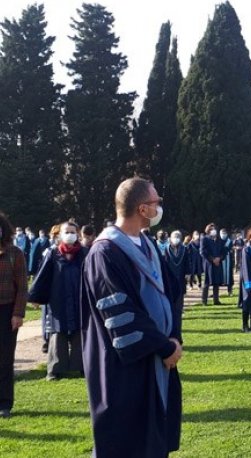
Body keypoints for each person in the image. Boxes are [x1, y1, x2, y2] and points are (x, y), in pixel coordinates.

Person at [80, 177, 183, 456]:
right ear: (142, 209)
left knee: (153, 438)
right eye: (156, 202)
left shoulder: (148, 246)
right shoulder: (105, 252)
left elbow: (170, 294)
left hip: (158, 357)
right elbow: (120, 312)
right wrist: (164, 346)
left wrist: (174, 337)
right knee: (128, 440)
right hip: (126, 363)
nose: (159, 207)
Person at [29, 222, 87, 381]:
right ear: (60, 235)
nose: (70, 234)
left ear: (78, 234)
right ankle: (54, 369)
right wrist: (35, 296)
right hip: (58, 299)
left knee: (79, 332)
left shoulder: (84, 253)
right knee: (57, 333)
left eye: (73, 231)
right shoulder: (53, 253)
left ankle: (82, 366)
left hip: (79, 298)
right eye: (66, 232)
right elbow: (43, 276)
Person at [0, 213, 28, 419]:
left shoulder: (14, 253)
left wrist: (18, 313)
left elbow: (22, 287)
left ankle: (4, 403)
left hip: (7, 311)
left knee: (5, 359)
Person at [163, 230, 189, 321]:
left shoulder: (184, 249)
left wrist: (188, 273)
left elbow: (187, 262)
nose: (176, 239)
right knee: (170, 293)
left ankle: (179, 310)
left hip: (181, 275)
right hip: (170, 276)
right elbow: (165, 262)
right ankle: (170, 310)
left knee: (180, 294)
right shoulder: (166, 249)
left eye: (178, 237)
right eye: (175, 237)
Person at [201, 223, 225, 305]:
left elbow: (224, 251)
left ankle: (216, 299)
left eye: (214, 229)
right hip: (209, 264)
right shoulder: (204, 239)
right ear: (208, 230)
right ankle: (204, 300)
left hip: (218, 263)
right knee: (207, 282)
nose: (213, 230)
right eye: (211, 229)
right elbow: (203, 251)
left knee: (216, 282)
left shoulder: (219, 240)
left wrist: (219, 258)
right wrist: (212, 259)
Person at [219, 228, 235, 296]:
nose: (223, 235)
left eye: (224, 233)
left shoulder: (229, 241)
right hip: (220, 260)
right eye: (222, 233)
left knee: (229, 276)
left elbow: (231, 250)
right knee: (220, 276)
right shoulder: (218, 241)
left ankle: (230, 291)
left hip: (228, 259)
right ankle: (217, 293)